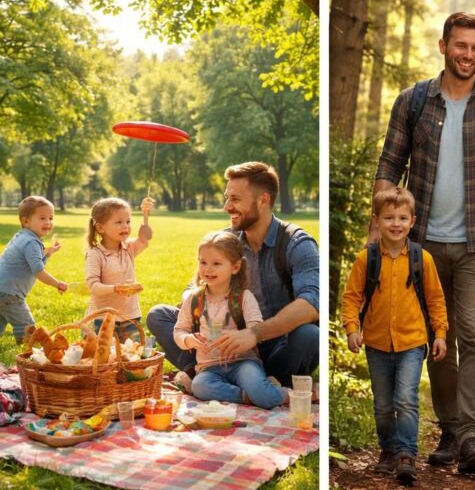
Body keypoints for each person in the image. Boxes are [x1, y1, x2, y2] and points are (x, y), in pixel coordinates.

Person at [373, 11, 475, 474]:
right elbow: (389, 167)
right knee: (437, 338)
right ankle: (448, 431)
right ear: (443, 46)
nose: (469, 55)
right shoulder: (413, 103)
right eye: (461, 45)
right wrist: (377, 234)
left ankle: (471, 437)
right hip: (420, 244)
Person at [148, 162, 319, 388]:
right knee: (158, 315)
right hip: (222, 346)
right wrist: (195, 303)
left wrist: (254, 334)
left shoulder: (296, 243)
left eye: (235, 199)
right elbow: (194, 288)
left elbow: (311, 303)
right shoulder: (226, 241)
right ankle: (199, 373)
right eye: (227, 198)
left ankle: (268, 381)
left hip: (276, 345)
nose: (227, 207)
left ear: (263, 199)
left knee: (309, 335)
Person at [342, 188, 449, 486]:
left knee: (406, 399)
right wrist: (352, 329)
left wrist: (439, 333)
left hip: (412, 342)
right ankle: (387, 451)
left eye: (402, 218)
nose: (396, 224)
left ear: (412, 221)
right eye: (389, 218)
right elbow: (351, 298)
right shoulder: (366, 259)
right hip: (376, 343)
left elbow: (436, 300)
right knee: (383, 404)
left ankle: (406, 454)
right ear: (377, 221)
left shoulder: (421, 259)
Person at [172, 231, 285, 409]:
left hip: (243, 362)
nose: (208, 269)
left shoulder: (244, 297)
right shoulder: (194, 299)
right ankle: (248, 395)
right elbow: (179, 330)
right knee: (200, 387)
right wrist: (188, 340)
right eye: (203, 262)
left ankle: (283, 394)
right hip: (209, 367)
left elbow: (256, 327)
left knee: (266, 398)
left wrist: (243, 339)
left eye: (216, 263)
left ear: (235, 267)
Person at [85, 196, 154, 341]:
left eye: (128, 221)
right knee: (102, 358)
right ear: (100, 227)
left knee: (134, 356)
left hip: (130, 317)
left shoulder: (128, 248)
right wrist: (115, 288)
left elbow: (144, 238)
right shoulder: (95, 254)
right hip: (102, 319)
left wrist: (146, 215)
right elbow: (93, 287)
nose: (126, 226)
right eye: (119, 222)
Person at [0, 196, 67, 342]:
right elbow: (38, 271)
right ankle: (27, 356)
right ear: (26, 221)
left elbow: (31, 258)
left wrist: (49, 252)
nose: (48, 222)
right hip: (10, 293)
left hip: (3, 289)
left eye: (51, 218)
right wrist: (58, 284)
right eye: (42, 218)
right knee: (27, 328)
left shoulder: (22, 236)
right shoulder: (32, 242)